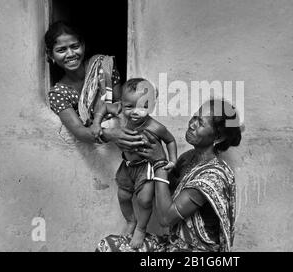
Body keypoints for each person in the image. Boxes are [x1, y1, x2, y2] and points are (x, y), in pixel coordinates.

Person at [96, 99, 242, 252]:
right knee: (107, 246)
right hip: (174, 243)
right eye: (194, 117)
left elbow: (166, 218)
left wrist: (159, 162)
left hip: (196, 251)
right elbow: (164, 189)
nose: (192, 124)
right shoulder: (188, 158)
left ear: (218, 138)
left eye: (200, 123)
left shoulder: (212, 177)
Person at [92, 78, 178, 249]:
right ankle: (131, 220)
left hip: (146, 168)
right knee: (123, 196)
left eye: (143, 107)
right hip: (127, 166)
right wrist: (96, 122)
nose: (135, 112)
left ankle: (140, 228)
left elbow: (170, 140)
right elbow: (104, 106)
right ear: (122, 103)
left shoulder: (155, 126)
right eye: (129, 107)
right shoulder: (120, 110)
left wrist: (173, 160)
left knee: (145, 200)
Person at [45, 21, 144, 150]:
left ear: (83, 45)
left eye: (75, 46)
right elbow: (79, 131)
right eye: (61, 50)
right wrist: (109, 134)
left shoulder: (103, 66)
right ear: (50, 54)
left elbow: (121, 105)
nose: (70, 54)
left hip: (127, 143)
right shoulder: (58, 94)